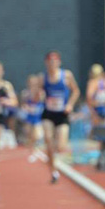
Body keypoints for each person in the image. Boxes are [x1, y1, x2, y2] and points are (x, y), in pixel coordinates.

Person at [39, 51, 80, 183]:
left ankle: (53, 160)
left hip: (62, 114)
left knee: (61, 146)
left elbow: (76, 91)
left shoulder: (66, 75)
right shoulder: (42, 77)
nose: (52, 64)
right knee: (48, 140)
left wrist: (70, 104)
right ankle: (53, 170)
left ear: (59, 62)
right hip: (49, 113)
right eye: (50, 61)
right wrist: (39, 96)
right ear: (46, 63)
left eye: (55, 61)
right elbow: (37, 94)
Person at [21, 74, 45, 162]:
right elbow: (23, 103)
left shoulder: (40, 92)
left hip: (38, 117)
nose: (32, 84)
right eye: (31, 82)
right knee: (29, 136)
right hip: (29, 117)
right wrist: (25, 107)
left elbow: (40, 100)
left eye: (34, 82)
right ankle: (32, 152)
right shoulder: (25, 93)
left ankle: (36, 150)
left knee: (37, 136)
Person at [86, 63, 105, 127]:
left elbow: (89, 97)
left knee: (96, 128)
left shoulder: (92, 83)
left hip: (96, 107)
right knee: (104, 126)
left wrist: (92, 110)